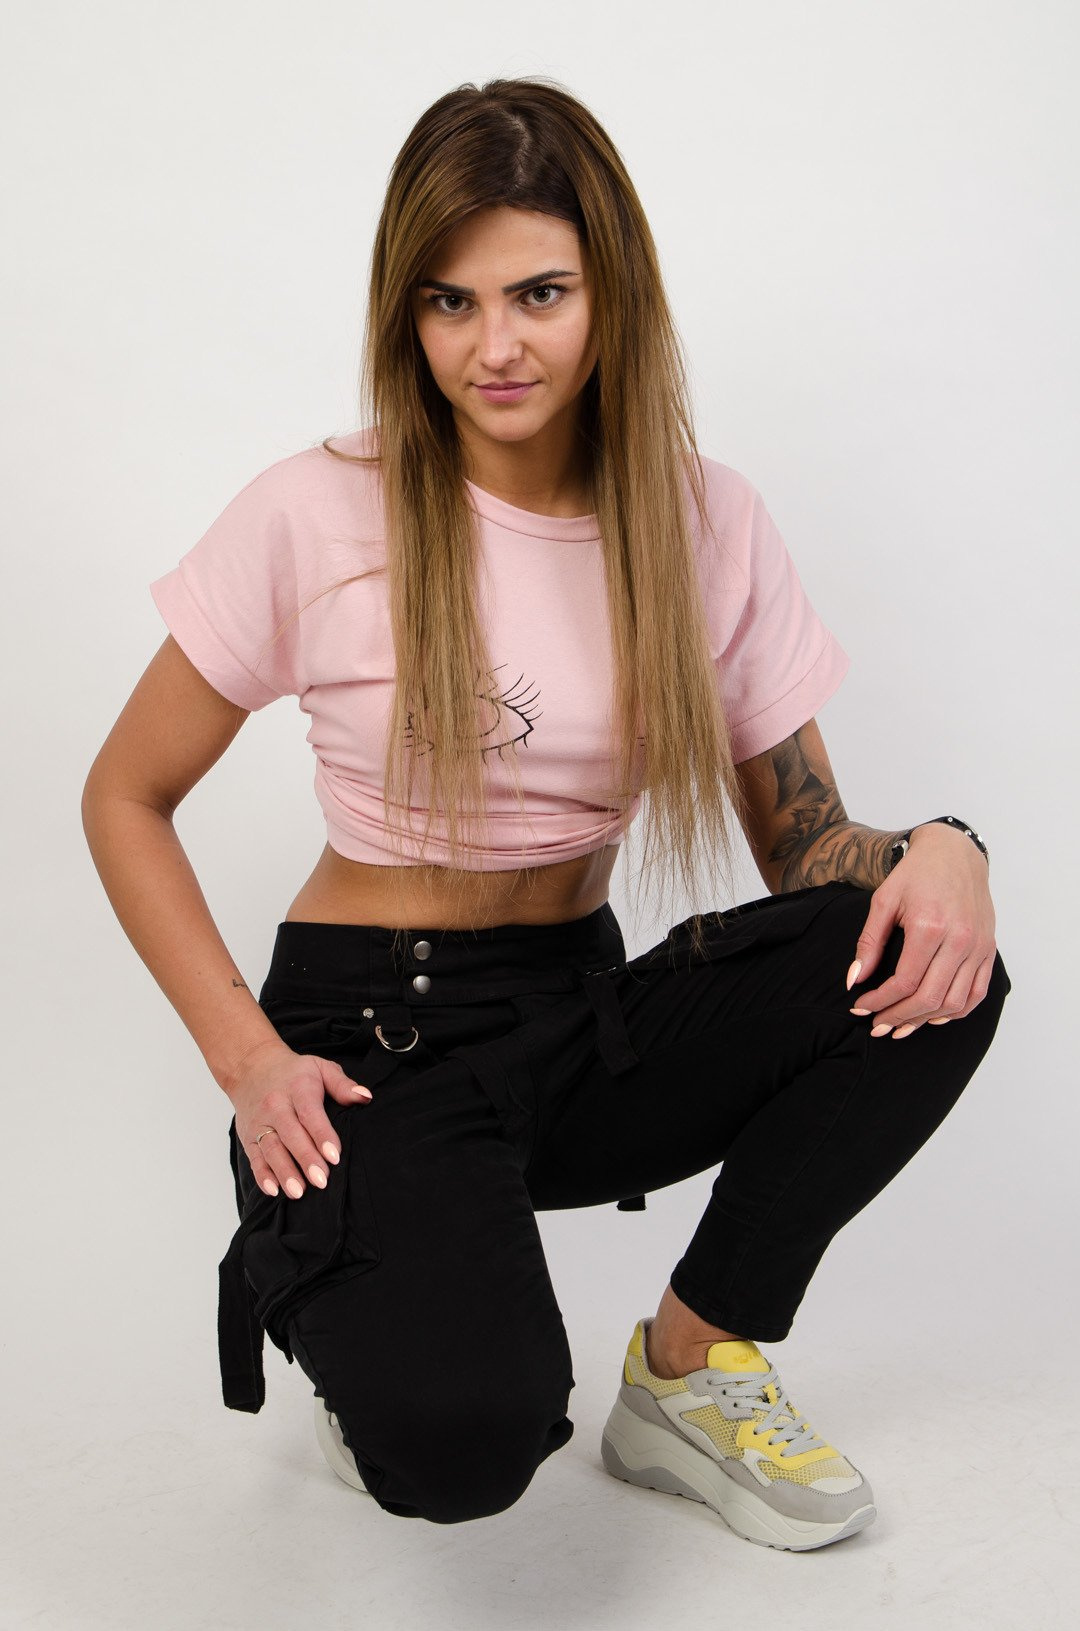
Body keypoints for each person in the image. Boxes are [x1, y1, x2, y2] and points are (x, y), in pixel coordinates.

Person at [81, 77, 1010, 1550]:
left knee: (933, 967)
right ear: (406, 312)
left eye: (540, 294)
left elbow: (807, 851)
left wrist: (941, 850)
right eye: (449, 302)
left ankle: (689, 1369)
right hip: (367, 1042)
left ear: (610, 293)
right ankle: (340, 1265)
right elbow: (125, 794)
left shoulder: (703, 520)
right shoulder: (318, 511)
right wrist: (248, 1060)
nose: (495, 347)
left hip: (582, 1019)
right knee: (464, 1452)